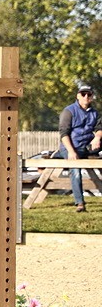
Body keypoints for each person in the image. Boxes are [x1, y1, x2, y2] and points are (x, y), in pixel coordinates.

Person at [50, 81, 102, 212]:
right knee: (76, 170)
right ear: (78, 96)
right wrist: (71, 151)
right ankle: (80, 203)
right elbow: (64, 134)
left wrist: (97, 137)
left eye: (89, 94)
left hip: (87, 146)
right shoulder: (68, 111)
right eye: (83, 94)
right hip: (71, 147)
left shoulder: (94, 113)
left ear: (92, 97)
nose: (86, 97)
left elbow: (99, 128)